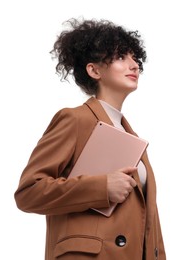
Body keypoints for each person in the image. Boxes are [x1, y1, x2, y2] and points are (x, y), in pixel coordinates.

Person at [14, 18, 166, 260]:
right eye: (120, 57)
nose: (134, 65)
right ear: (94, 70)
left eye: (134, 58)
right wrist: (101, 187)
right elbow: (29, 193)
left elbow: (149, 222)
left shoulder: (133, 137)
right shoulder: (75, 120)